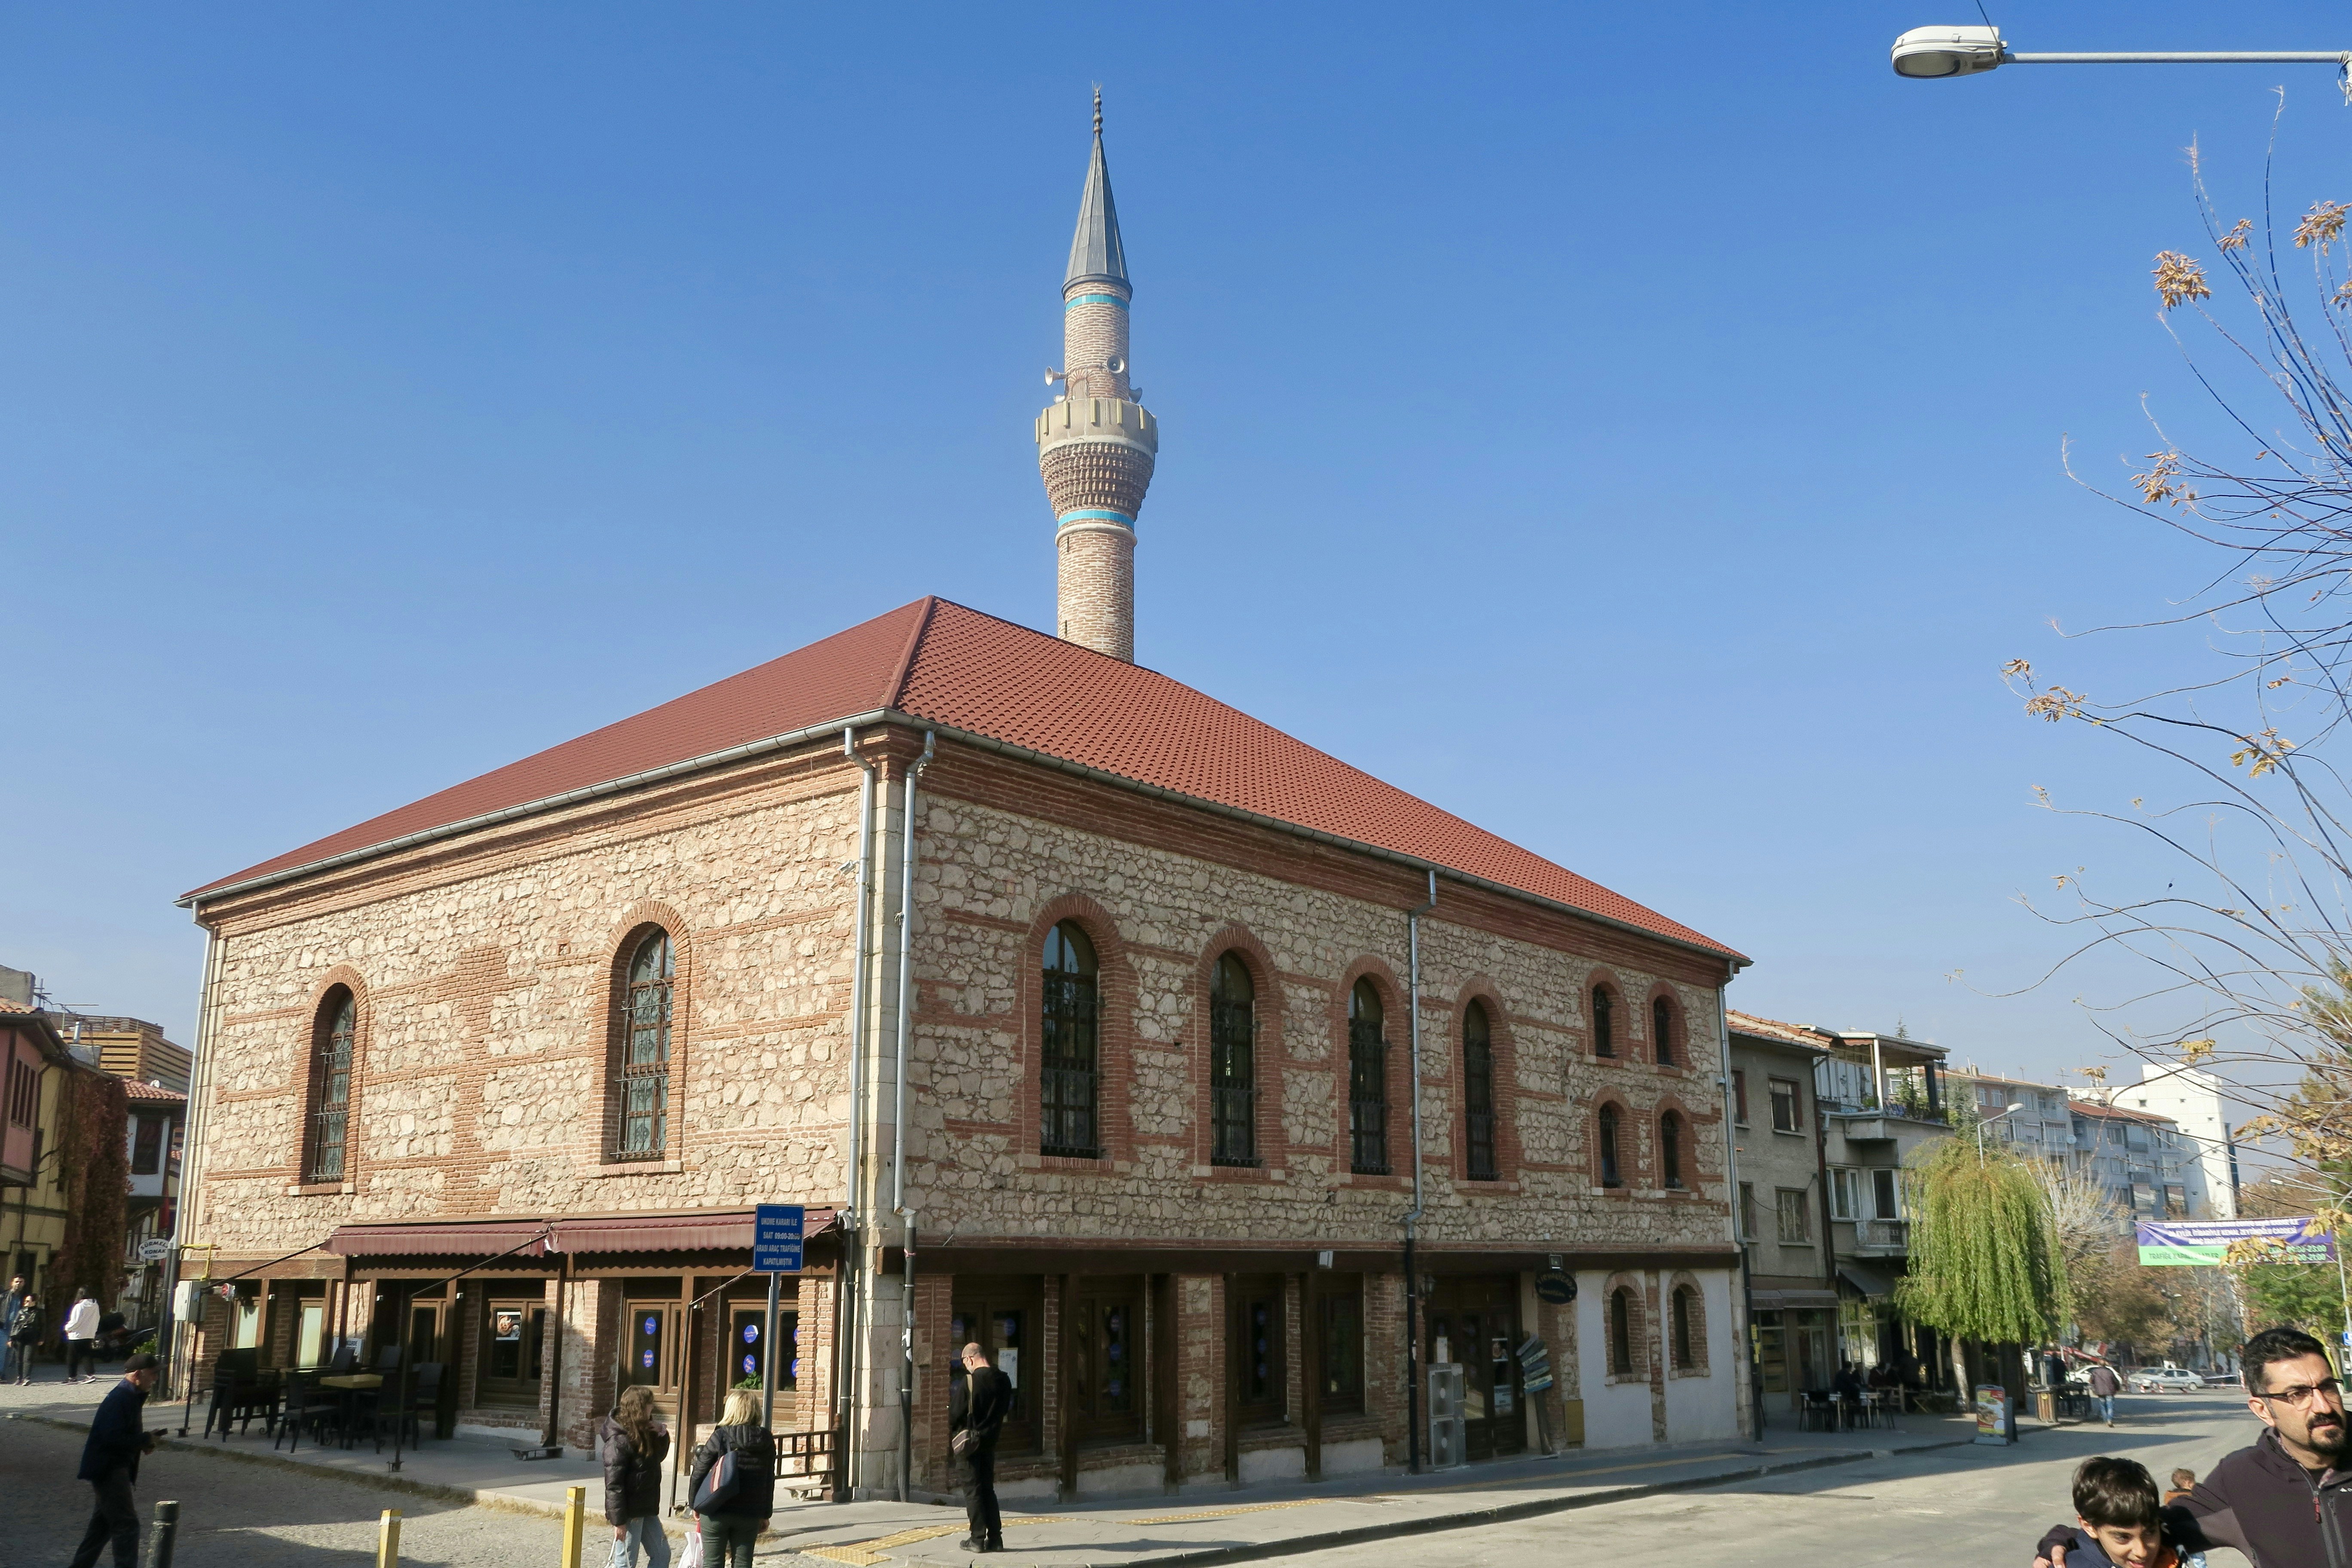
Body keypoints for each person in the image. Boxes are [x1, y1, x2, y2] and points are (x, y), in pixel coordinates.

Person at [2035, 1326, 2352, 1567]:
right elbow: (2134, 1526)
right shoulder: (2240, 1478)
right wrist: (2061, 1541)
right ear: (2261, 1409)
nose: (2322, 1406)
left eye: (2326, 1387)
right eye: (2298, 1394)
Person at [67, 1351, 159, 1568]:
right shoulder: (120, 1399)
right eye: (153, 1374)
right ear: (137, 1374)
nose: (155, 1379)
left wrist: (143, 1443)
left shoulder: (130, 1396)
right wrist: (144, 1439)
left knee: (102, 1527)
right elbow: (112, 1437)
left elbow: (120, 1436)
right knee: (127, 1526)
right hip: (109, 1469)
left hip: (111, 1466)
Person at [686, 1387, 775, 1568]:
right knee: (743, 1563)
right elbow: (769, 1479)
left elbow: (699, 1472)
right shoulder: (766, 1439)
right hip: (749, 1512)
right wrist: (766, 1513)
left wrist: (695, 1504)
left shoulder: (721, 1436)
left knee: (713, 1563)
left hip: (716, 1509)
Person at [2049, 1457, 2179, 1568]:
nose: (2142, 1552)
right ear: (2090, 1528)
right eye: (2123, 1537)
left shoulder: (2171, 1553)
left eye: (2150, 1532)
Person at [951, 1341, 1013, 1554]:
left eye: (965, 1362)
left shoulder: (970, 1382)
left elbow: (955, 1415)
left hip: (969, 1445)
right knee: (988, 1490)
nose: (966, 1367)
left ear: (970, 1359)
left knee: (973, 1492)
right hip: (990, 1442)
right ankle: (995, 1539)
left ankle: (977, 1539)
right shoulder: (1004, 1380)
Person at [602, 1384, 672, 1568]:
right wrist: (619, 1522)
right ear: (640, 1407)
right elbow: (614, 1485)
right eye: (650, 1404)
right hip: (630, 1511)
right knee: (626, 1561)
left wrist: (661, 1434)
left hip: (647, 1506)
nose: (653, 1408)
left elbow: (657, 1458)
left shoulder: (644, 1430)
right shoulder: (618, 1440)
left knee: (662, 1554)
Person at [63, 1288, 100, 1384]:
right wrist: (94, 1331)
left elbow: (75, 1322)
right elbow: (97, 1319)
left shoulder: (79, 1306)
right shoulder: (95, 1305)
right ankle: (90, 1374)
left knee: (72, 1356)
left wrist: (67, 1328)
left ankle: (72, 1377)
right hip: (89, 1334)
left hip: (77, 1335)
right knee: (86, 1355)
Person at [8, 1286, 42, 1385]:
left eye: (28, 1301)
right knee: (19, 1359)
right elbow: (15, 1324)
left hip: (32, 1338)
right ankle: (19, 1378)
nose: (26, 1303)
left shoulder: (39, 1312)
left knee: (28, 1359)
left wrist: (41, 1338)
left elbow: (43, 1326)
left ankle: (27, 1378)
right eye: (26, 1301)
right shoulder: (21, 1311)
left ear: (34, 1302)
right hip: (20, 1337)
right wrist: (11, 1338)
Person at [0, 1275, 29, 1384]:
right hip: (3, 1328)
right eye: (17, 1282)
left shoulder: (26, 1298)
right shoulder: (3, 1296)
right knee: (1, 1352)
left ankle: (3, 1374)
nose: (18, 1284)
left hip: (17, 1331)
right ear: (12, 1283)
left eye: (21, 1282)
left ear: (24, 1284)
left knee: (10, 1355)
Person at [2085, 1359, 2121, 1428]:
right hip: (2110, 1391)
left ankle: (2106, 1421)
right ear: (2105, 1365)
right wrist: (2118, 1388)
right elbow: (2116, 1381)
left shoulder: (2095, 1372)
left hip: (2100, 1391)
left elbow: (2091, 1381)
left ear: (2099, 1365)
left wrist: (2094, 1388)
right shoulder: (2109, 1372)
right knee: (2110, 1406)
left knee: (2103, 1407)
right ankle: (2109, 1420)